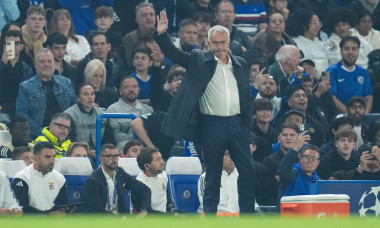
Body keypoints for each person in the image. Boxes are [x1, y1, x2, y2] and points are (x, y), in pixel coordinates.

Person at [155, 11, 256, 213]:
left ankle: (247, 216)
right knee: (213, 174)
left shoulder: (240, 63)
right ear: (208, 43)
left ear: (229, 42)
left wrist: (246, 122)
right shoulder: (199, 59)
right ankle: (210, 216)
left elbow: (246, 95)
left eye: (222, 42)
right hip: (212, 125)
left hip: (237, 124)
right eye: (215, 43)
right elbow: (174, 55)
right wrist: (162, 35)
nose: (218, 47)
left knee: (248, 171)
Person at [16, 48, 76, 138]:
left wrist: (65, 129)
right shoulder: (25, 87)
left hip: (65, 134)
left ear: (54, 64)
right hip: (38, 136)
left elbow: (74, 108)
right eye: (42, 61)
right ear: (35, 65)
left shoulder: (66, 83)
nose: (46, 64)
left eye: (49, 61)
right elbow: (21, 114)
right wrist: (42, 132)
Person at [83, 144, 151, 214]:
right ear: (101, 158)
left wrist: (144, 210)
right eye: (110, 156)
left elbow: (144, 190)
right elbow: (97, 210)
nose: (114, 159)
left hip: (121, 218)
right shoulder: (93, 180)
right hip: (102, 220)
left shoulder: (120, 173)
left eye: (116, 156)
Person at [12, 142, 69, 214]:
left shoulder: (59, 178)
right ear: (36, 158)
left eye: (54, 156)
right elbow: (22, 209)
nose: (52, 161)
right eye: (47, 157)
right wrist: (48, 216)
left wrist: (67, 210)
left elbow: (63, 204)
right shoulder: (22, 177)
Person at [286, 8, 340, 79]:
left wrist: (333, 51)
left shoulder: (323, 43)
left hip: (326, 81)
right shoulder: (295, 43)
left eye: (319, 23)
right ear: (304, 25)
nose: (318, 26)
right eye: (314, 23)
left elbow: (336, 64)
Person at [328, 36, 373, 114]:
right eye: (347, 49)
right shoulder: (332, 71)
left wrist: (365, 114)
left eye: (354, 49)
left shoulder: (363, 72)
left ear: (358, 51)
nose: (350, 52)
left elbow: (368, 97)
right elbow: (332, 98)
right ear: (341, 51)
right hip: (340, 118)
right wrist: (350, 114)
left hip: (360, 117)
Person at [107, 76, 153, 152]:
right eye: (126, 87)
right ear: (120, 91)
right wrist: (138, 136)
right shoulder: (112, 110)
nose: (131, 90)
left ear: (138, 90)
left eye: (134, 87)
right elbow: (115, 135)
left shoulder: (148, 110)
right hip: (123, 148)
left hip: (145, 148)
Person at [262, 123, 299, 206]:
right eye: (285, 135)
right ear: (279, 138)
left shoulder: (302, 160)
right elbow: (268, 191)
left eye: (292, 135)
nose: (288, 138)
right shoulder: (268, 162)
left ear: (298, 138)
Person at [0, 30, 34, 119]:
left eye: (16, 43)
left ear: (21, 46)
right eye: (9, 43)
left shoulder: (27, 69)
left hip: (20, 109)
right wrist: (2, 64)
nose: (13, 46)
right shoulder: (1, 65)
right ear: (4, 46)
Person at [64, 84, 105, 150]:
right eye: (85, 94)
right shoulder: (69, 115)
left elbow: (108, 138)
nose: (90, 97)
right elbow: (69, 139)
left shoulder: (103, 115)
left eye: (92, 94)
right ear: (78, 98)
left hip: (101, 152)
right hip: (78, 153)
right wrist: (87, 152)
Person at [136, 147, 175, 213]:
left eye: (161, 158)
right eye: (157, 160)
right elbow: (144, 212)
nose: (163, 162)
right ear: (147, 166)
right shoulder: (140, 184)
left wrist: (171, 207)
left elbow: (164, 193)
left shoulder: (163, 174)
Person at [122, 2, 156, 70]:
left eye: (151, 14)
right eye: (144, 15)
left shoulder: (163, 37)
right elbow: (130, 63)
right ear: (137, 20)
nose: (149, 18)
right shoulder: (129, 38)